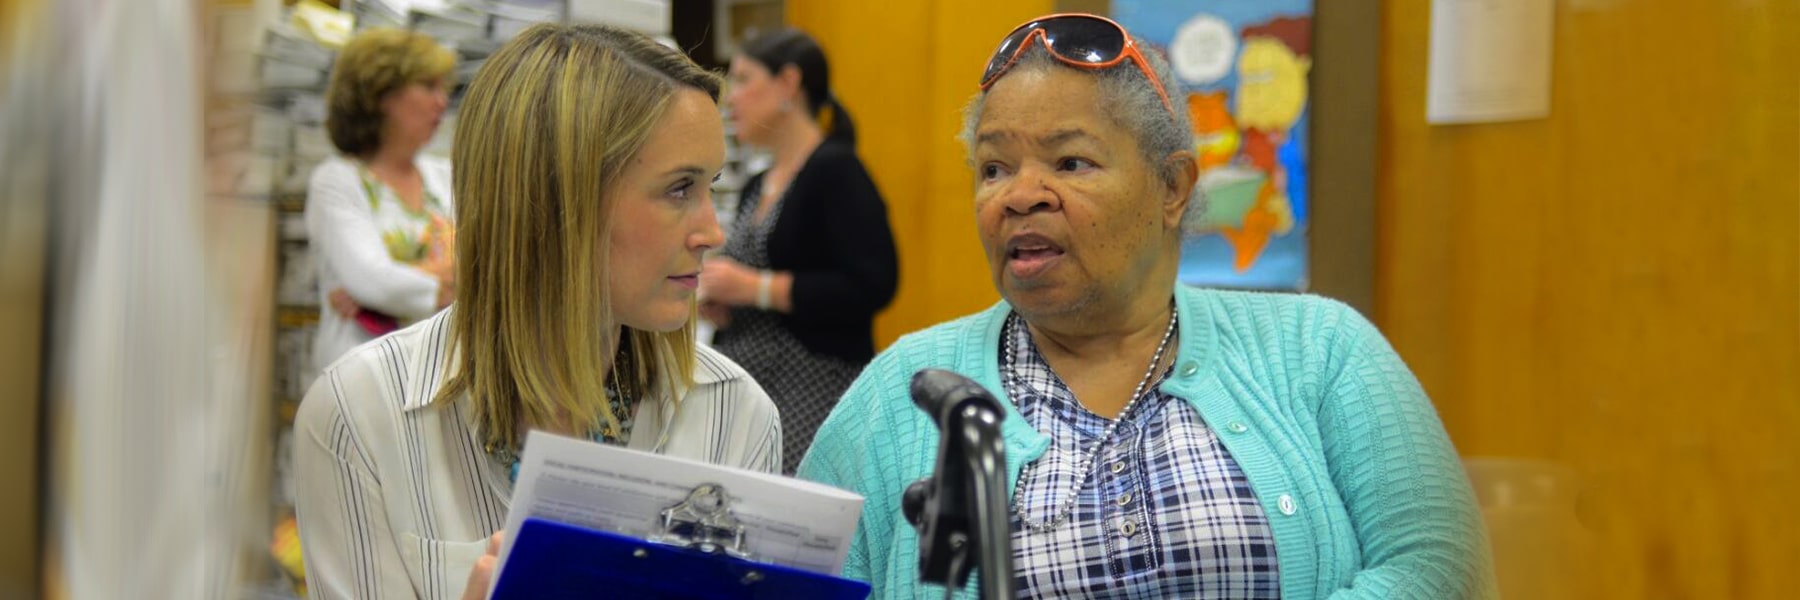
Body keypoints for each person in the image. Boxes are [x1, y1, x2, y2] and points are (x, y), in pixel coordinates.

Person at [798, 13, 1496, 599]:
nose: (1019, 195)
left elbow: (1439, 569)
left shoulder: (1320, 347)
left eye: (1070, 163)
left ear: (1173, 187)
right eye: (994, 168)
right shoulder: (904, 390)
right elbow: (796, 579)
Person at [294, 23, 782, 600]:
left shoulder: (735, 413)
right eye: (680, 189)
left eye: (711, 186)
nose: (712, 232)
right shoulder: (360, 415)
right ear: (559, 199)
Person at [699, 28, 899, 474]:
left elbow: (872, 284)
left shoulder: (837, 170)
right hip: (752, 385)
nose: (731, 99)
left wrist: (754, 288)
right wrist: (726, 302)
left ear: (789, 83)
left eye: (744, 79)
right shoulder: (758, 183)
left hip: (810, 392)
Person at [305, 28, 458, 375]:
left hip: (433, 373)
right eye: (428, 86)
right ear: (381, 95)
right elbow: (373, 281)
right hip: (360, 378)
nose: (442, 102)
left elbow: (484, 263)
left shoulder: (444, 177)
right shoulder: (337, 180)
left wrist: (381, 293)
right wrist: (450, 280)